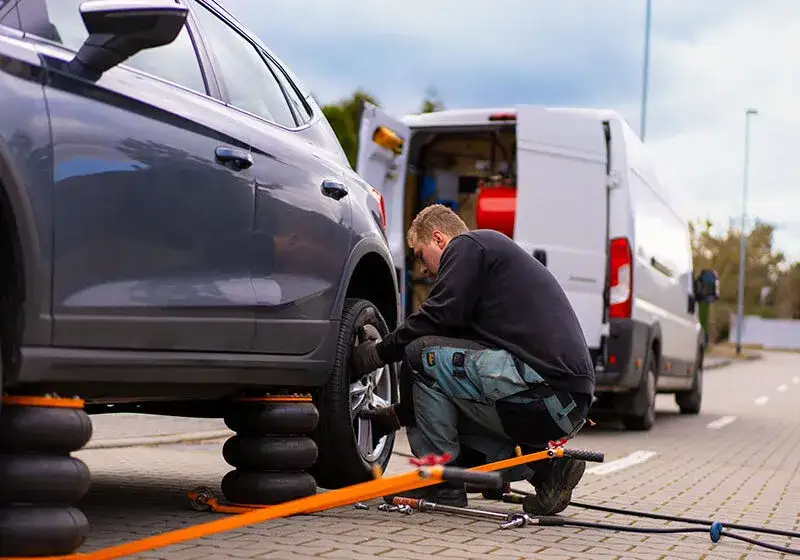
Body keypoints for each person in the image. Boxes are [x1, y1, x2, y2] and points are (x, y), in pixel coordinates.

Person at [352, 204, 595, 515]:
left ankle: (441, 483)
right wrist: (397, 415)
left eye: (421, 255)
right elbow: (449, 375)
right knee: (443, 396)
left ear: (439, 239)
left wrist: (376, 354)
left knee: (419, 355)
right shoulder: (490, 270)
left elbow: (435, 319)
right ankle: (548, 472)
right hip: (562, 404)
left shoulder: (467, 246)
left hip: (543, 386)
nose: (424, 270)